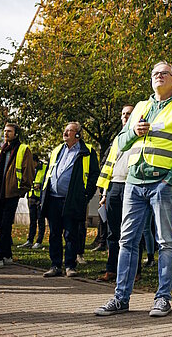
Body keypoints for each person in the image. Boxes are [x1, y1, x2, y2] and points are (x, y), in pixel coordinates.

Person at [94, 60, 172, 318]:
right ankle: (121, 298)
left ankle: (163, 298)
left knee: (165, 242)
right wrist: (133, 133)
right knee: (126, 240)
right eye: (155, 73)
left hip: (162, 184)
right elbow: (120, 142)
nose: (159, 76)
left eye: (164, 73)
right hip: (134, 182)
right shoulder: (141, 107)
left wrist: (169, 180)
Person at [40, 122, 99, 278]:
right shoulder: (57, 150)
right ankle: (55, 265)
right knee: (54, 233)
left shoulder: (87, 151)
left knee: (71, 234)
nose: (65, 133)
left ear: (78, 134)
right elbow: (49, 171)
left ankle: (70, 266)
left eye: (69, 131)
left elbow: (94, 175)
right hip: (53, 198)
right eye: (65, 130)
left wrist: (86, 194)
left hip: (72, 200)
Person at [0, 123, 33, 269]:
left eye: (9, 131)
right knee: (3, 224)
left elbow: (28, 171)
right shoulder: (2, 150)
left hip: (12, 192)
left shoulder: (23, 149)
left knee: (4, 225)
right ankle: (7, 255)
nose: (6, 133)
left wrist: (21, 190)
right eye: (4, 131)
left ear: (16, 133)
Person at [95, 104, 134, 282]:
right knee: (112, 232)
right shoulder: (117, 139)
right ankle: (111, 269)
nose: (126, 116)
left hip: (131, 185)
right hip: (113, 187)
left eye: (129, 114)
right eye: (124, 114)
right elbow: (108, 165)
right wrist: (104, 193)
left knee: (132, 231)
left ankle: (133, 271)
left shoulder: (139, 135)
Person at [19, 154, 48, 249]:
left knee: (40, 220)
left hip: (40, 198)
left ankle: (39, 241)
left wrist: (40, 185)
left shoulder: (44, 168)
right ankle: (29, 240)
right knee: (32, 220)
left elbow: (48, 181)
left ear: (36, 161)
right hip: (31, 197)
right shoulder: (29, 169)